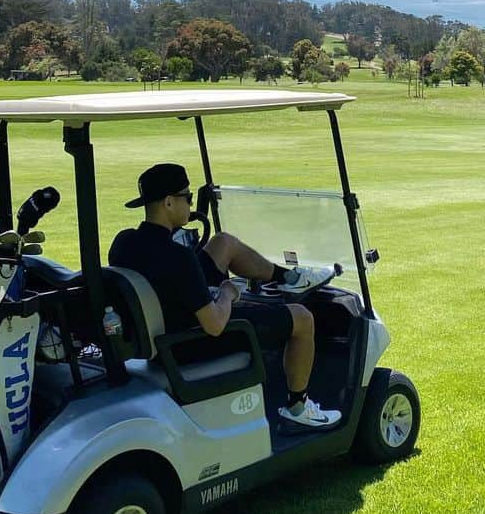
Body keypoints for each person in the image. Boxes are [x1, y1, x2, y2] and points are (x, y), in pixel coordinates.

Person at [109, 163, 341, 428]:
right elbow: (215, 324)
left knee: (223, 243)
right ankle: (298, 409)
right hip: (190, 338)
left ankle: (289, 278)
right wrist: (228, 294)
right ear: (169, 203)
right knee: (302, 318)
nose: (190, 205)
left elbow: (165, 275)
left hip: (169, 315)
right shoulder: (178, 257)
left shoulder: (124, 242)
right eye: (188, 198)